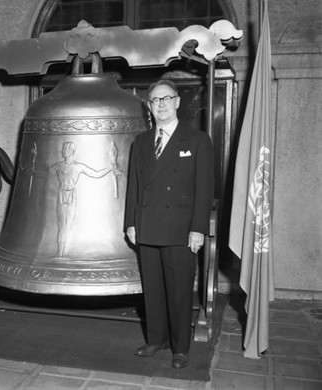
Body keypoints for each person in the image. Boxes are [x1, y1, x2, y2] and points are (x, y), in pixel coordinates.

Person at [124, 80, 214, 369]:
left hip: (181, 229)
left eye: (166, 99)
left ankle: (180, 347)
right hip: (147, 225)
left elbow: (204, 189)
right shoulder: (140, 142)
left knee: (179, 289)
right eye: (155, 100)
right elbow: (134, 187)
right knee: (152, 288)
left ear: (177, 102)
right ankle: (156, 339)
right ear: (149, 107)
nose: (161, 105)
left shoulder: (198, 140)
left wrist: (198, 228)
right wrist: (130, 223)